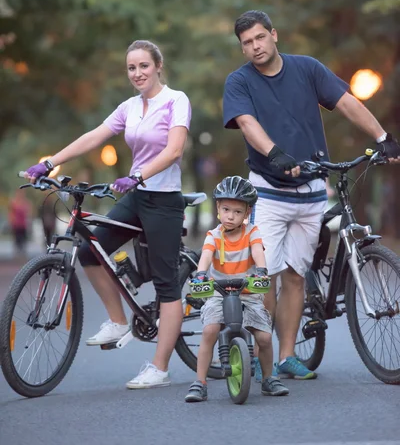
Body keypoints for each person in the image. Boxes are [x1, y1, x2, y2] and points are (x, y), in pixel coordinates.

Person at [223, 10, 400, 381]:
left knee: (296, 277)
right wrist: (275, 154)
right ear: (242, 49)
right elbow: (246, 123)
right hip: (269, 193)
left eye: (259, 38)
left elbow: (347, 102)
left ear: (274, 35)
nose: (255, 47)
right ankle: (261, 353)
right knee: (264, 277)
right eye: (246, 43)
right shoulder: (239, 82)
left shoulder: (307, 69)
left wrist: (382, 138)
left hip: (311, 192)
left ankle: (287, 356)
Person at [24, 39, 191, 389]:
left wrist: (138, 175)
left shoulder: (176, 100)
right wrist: (50, 162)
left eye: (144, 65)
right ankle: (117, 321)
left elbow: (174, 150)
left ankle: (159, 367)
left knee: (166, 285)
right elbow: (94, 136)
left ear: (158, 66)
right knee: (89, 251)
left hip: (162, 199)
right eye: (131, 68)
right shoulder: (130, 107)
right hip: (137, 195)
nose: (138, 73)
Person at [185, 176, 289, 402]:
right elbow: (205, 255)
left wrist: (261, 269)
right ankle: (200, 382)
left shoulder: (252, 232)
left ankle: (269, 378)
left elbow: (258, 252)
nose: (231, 216)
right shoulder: (214, 235)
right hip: (218, 291)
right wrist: (201, 274)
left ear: (248, 212)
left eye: (237, 212)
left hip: (247, 291)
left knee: (264, 336)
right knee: (210, 330)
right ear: (217, 209)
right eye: (226, 209)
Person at [8, 190, 32, 258]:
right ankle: (17, 252)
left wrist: (29, 222)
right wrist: (11, 221)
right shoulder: (13, 202)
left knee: (23, 238)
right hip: (16, 224)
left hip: (23, 224)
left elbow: (29, 213)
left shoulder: (26, 203)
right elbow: (11, 213)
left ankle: (22, 252)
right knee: (17, 238)